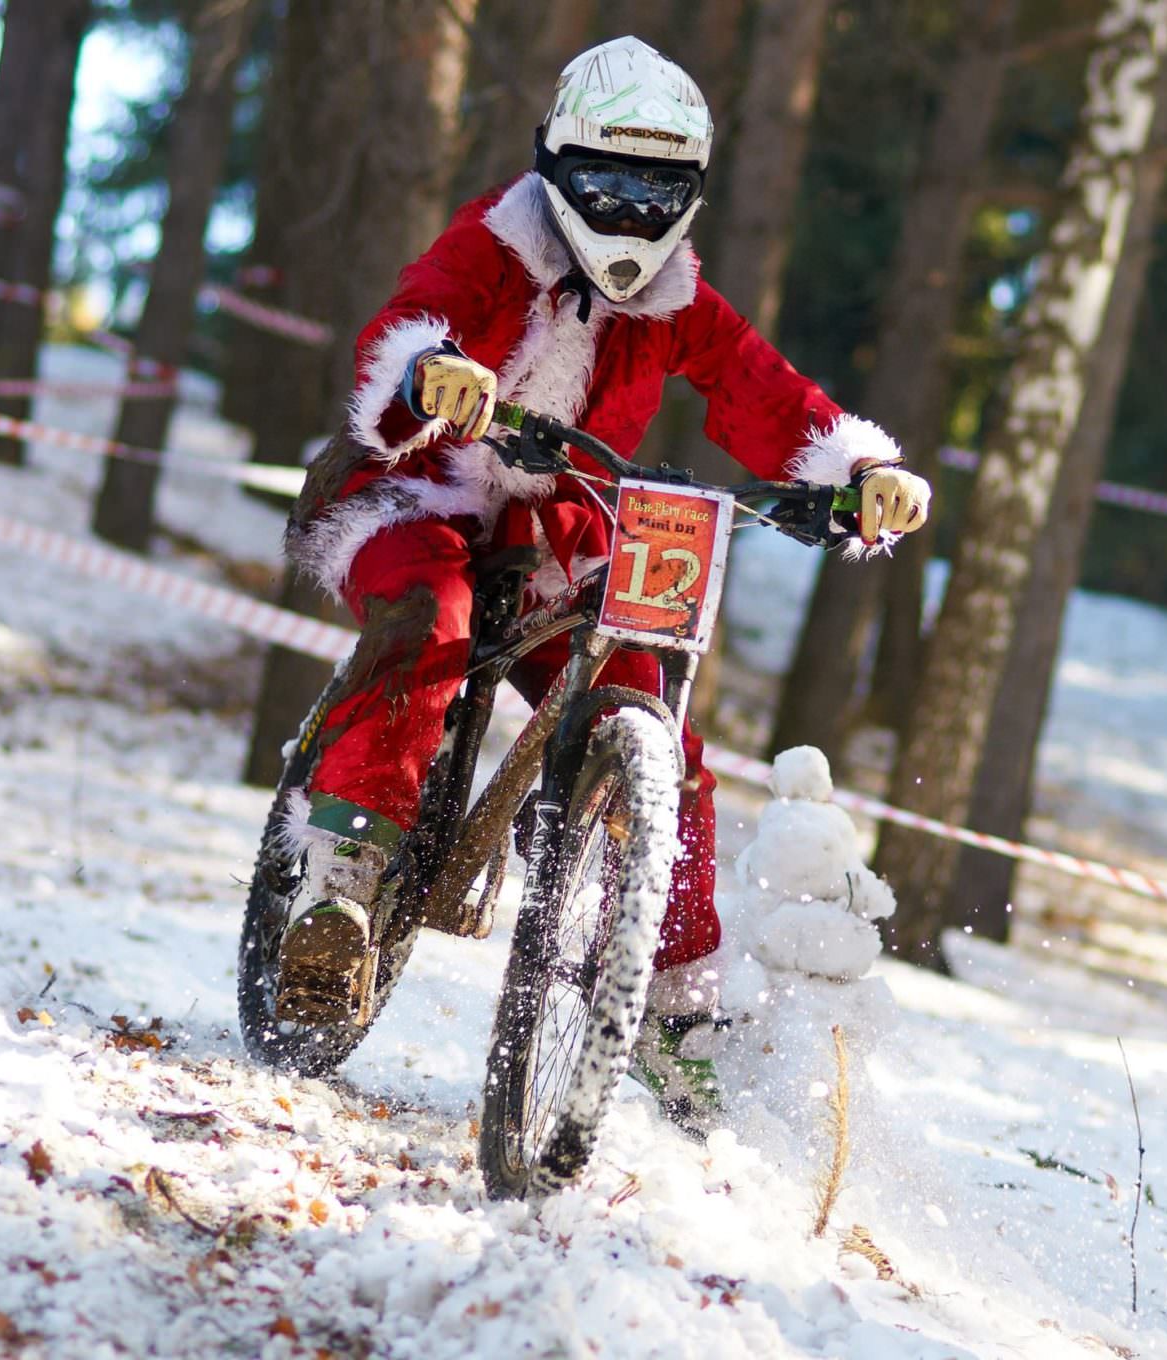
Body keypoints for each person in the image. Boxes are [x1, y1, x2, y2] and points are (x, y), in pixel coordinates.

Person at [275, 36, 932, 1132]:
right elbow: (408, 319)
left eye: (655, 193)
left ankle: (669, 1007)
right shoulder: (493, 248)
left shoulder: (676, 300)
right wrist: (430, 373)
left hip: (561, 520)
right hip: (421, 489)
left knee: (654, 718)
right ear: (554, 169)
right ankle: (338, 888)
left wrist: (857, 471)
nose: (629, 217)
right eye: (605, 187)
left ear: (690, 195)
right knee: (430, 622)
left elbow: (763, 394)